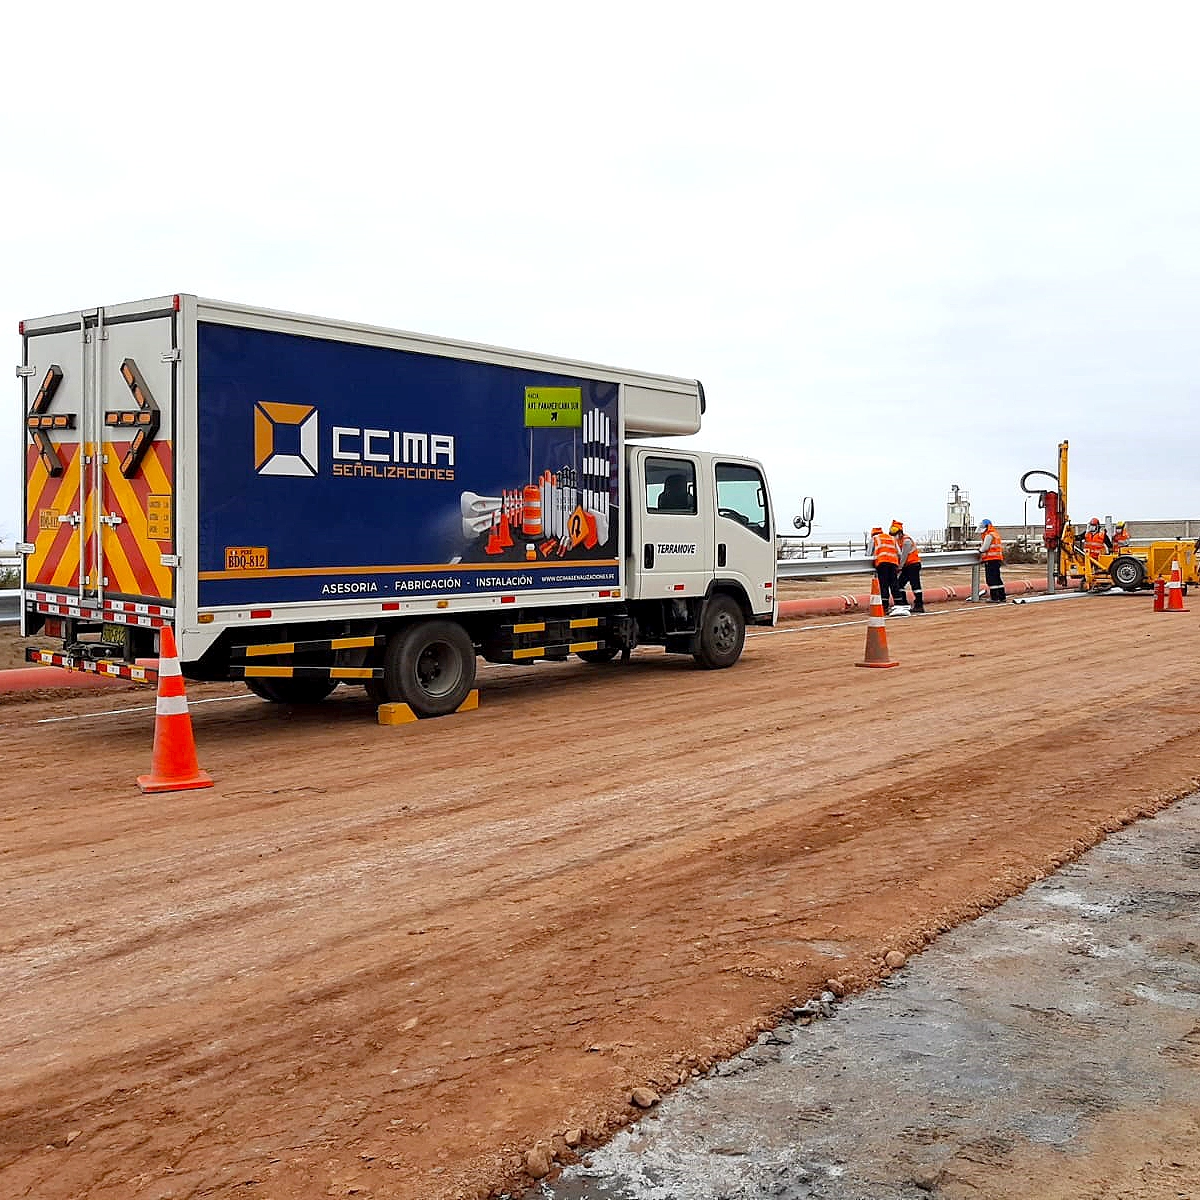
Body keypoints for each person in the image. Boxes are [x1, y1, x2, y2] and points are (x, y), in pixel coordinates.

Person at [890, 520, 925, 613]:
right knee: (900, 584)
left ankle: (919, 605)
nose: (894, 536)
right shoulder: (898, 540)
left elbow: (904, 556)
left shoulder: (906, 541)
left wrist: (899, 567)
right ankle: (904, 603)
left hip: (913, 565)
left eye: (895, 534)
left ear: (900, 532)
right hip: (907, 566)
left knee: (915, 585)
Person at [869, 525, 899, 613]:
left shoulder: (875, 538)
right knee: (894, 584)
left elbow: (869, 554)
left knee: (884, 585)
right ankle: (899, 605)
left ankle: (885, 607)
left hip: (882, 563)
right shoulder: (891, 538)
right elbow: (899, 553)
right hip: (893, 562)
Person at [979, 518, 1006, 603]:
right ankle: (1002, 596)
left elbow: (985, 548)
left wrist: (979, 551)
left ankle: (994, 597)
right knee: (997, 578)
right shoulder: (995, 534)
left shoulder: (989, 535)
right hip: (997, 559)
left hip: (990, 560)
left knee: (991, 579)